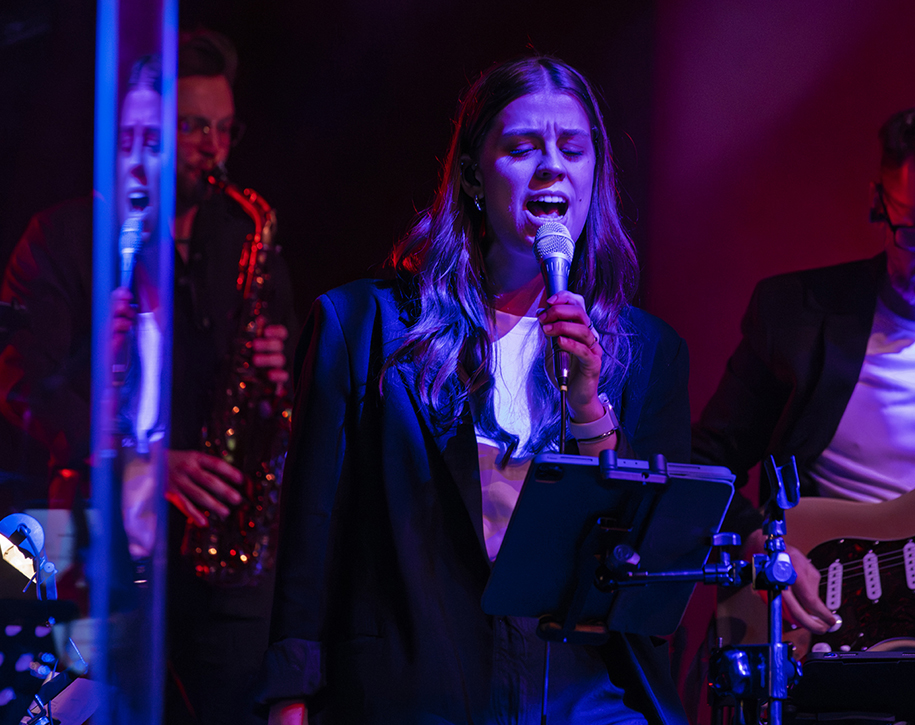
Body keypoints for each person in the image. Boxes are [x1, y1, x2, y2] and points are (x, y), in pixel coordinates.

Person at [260, 56, 691, 724]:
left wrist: (587, 408)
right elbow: (311, 537)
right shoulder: (364, 326)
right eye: (522, 148)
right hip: (417, 688)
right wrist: (289, 697)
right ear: (471, 175)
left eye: (572, 149)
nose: (552, 167)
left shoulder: (646, 351)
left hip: (580, 698)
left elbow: (645, 569)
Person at [692, 103, 915, 724]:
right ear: (880, 203)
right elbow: (702, 464)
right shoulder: (795, 314)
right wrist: (762, 545)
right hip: (836, 673)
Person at [0, 30, 297, 725]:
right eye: (192, 127)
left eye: (223, 129)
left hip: (222, 557)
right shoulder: (63, 238)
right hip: (101, 555)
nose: (212, 148)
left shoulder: (247, 237)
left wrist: (280, 379)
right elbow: (23, 384)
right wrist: (142, 461)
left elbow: (279, 407)